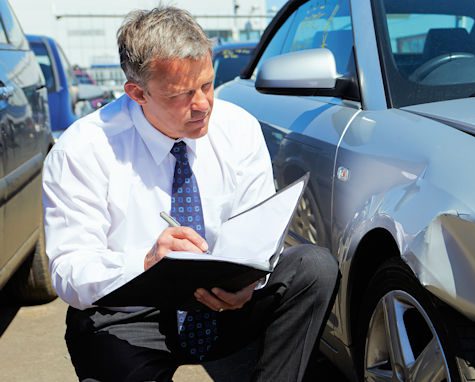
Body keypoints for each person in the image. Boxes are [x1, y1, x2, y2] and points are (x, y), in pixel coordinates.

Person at [42, 6, 338, 382]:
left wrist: (250, 283)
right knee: (97, 331)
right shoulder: (82, 150)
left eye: (207, 85)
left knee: (313, 268)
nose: (202, 105)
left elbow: (259, 233)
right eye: (181, 95)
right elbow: (69, 271)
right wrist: (147, 262)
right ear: (137, 93)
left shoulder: (237, 128)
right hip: (133, 312)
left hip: (225, 302)